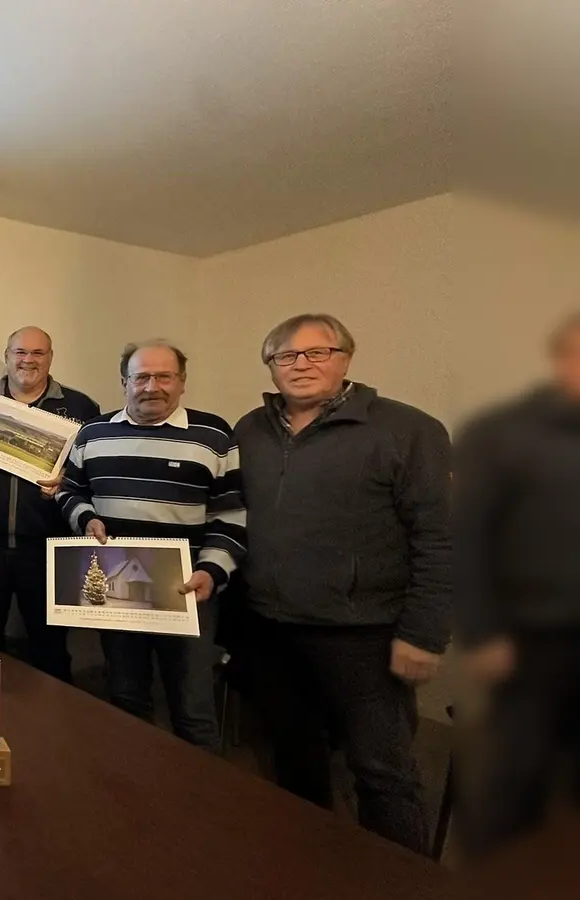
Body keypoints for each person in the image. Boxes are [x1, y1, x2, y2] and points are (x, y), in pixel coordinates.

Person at [234, 313, 450, 854]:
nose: (301, 364)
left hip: (364, 633)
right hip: (271, 626)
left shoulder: (408, 431)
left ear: (346, 359)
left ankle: (403, 881)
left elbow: (441, 539)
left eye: (317, 352)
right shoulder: (249, 431)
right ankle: (311, 861)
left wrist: (424, 633)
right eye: (286, 356)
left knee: (383, 770)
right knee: (294, 753)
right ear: (271, 366)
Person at [56, 340, 245, 752]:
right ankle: (135, 793)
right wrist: (86, 518)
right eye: (141, 377)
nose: (151, 386)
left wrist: (212, 571)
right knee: (125, 696)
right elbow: (70, 491)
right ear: (124, 382)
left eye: (164, 376)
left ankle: (203, 804)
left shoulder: (213, 435)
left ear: (181, 382)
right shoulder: (93, 434)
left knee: (193, 706)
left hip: (189, 592)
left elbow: (230, 516)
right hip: (117, 591)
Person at [455, 311, 580, 856]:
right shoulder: (502, 432)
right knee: (517, 778)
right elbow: (468, 537)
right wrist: (482, 633)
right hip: (534, 639)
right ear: (560, 359)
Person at [0, 326, 99, 681]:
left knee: (49, 643)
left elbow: (93, 472)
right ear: (7, 357)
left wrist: (66, 481)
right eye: (20, 352)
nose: (28, 360)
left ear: (50, 358)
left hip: (49, 546)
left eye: (38, 353)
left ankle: (55, 727)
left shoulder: (81, 407)